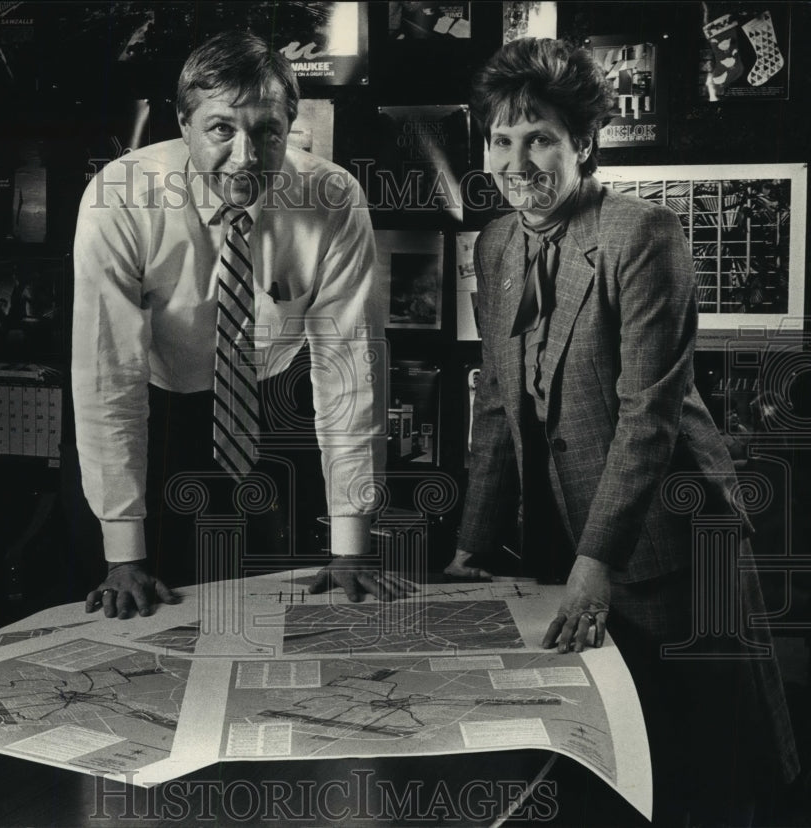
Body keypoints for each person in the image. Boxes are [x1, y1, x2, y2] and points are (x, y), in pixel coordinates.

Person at [447, 38, 798, 823]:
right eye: (500, 139)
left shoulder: (641, 234)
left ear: (584, 142)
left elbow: (648, 415)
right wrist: (473, 543)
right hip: (562, 536)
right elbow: (499, 408)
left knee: (696, 762)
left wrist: (595, 561)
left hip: (674, 536)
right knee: (596, 759)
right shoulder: (498, 244)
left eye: (538, 137)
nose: (516, 160)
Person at [72, 30, 411, 621]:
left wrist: (351, 543)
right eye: (221, 128)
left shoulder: (333, 198)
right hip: (152, 400)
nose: (246, 156)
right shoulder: (117, 199)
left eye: (266, 132)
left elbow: (350, 370)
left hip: (270, 395)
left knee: (280, 601)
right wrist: (124, 552)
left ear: (290, 125)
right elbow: (109, 376)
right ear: (184, 124)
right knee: (133, 605)